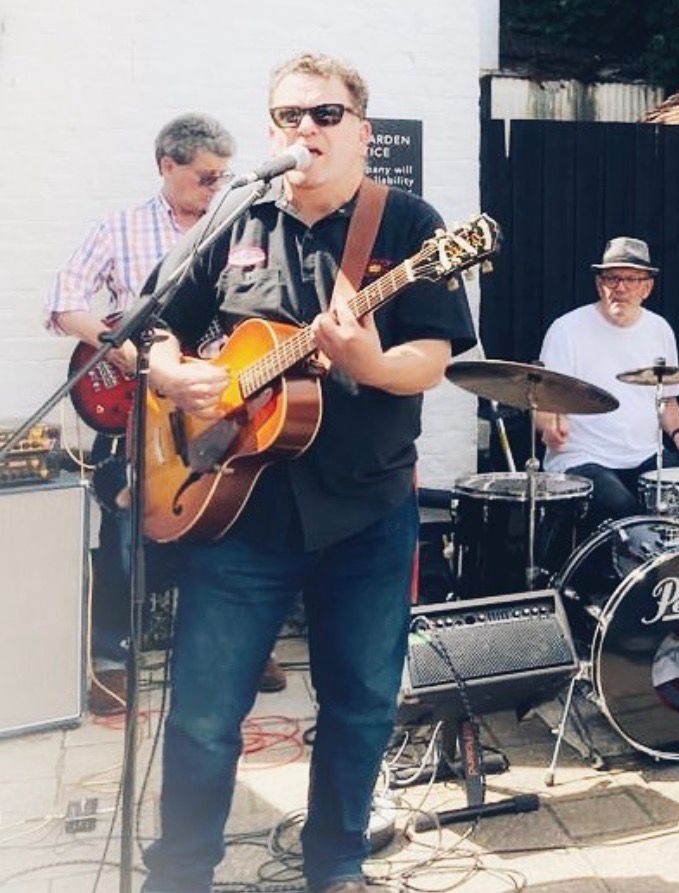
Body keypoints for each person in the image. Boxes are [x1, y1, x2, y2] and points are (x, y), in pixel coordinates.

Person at [139, 53, 476, 893]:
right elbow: (151, 325)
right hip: (235, 511)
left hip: (366, 509)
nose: (307, 130)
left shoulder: (409, 225)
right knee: (207, 717)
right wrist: (172, 374)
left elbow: (431, 358)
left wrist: (370, 357)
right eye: (291, 115)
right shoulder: (237, 215)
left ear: (363, 131)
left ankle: (336, 866)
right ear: (272, 131)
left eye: (327, 115)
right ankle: (179, 874)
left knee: (360, 706)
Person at [40, 113, 267, 715]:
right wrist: (128, 350)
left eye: (223, 178)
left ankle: (238, 646)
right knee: (124, 524)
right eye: (203, 178)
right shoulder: (119, 228)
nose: (215, 189)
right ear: (167, 166)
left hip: (210, 399)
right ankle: (112, 659)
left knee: (229, 514)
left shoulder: (241, 230)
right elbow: (63, 303)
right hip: (139, 400)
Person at [537, 236, 679, 528]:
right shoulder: (567, 329)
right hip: (581, 456)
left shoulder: (660, 330)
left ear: (647, 287)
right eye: (612, 278)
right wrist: (549, 425)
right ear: (599, 284)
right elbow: (542, 398)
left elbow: (667, 398)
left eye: (631, 279)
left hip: (646, 454)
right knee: (622, 508)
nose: (620, 288)